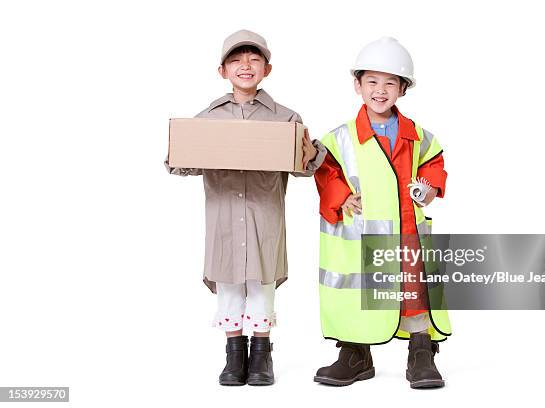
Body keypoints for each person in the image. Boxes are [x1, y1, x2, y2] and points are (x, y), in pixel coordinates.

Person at [164, 29, 326, 386]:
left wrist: (309, 149)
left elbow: (307, 167)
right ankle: (234, 355)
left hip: (264, 216)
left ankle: (262, 356)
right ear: (222, 70)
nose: (245, 66)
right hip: (223, 217)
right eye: (236, 60)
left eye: (254, 59)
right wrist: (178, 150)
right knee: (230, 286)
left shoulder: (285, 118)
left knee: (262, 284)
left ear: (267, 69)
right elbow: (180, 163)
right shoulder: (207, 118)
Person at [313, 37, 451, 388]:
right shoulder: (340, 137)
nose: (380, 90)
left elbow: (434, 162)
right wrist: (341, 195)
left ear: (403, 89)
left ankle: (421, 350)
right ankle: (355, 353)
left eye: (390, 82)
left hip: (406, 228)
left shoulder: (417, 135)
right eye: (372, 81)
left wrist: (431, 186)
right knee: (358, 292)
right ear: (357, 85)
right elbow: (326, 170)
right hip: (359, 234)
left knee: (412, 288)